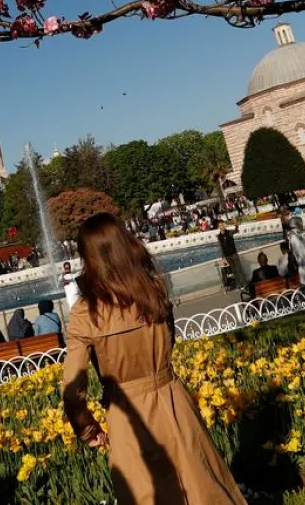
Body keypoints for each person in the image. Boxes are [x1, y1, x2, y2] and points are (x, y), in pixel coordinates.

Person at [61, 214, 246, 505]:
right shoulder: (153, 289)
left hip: (127, 415)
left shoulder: (87, 313)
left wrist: (88, 429)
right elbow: (170, 340)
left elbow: (72, 390)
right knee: (201, 485)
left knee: (149, 494)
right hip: (172, 398)